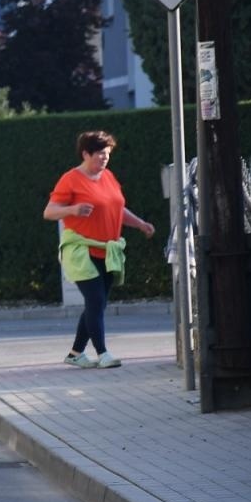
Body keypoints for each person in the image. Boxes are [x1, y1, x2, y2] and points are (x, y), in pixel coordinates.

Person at [42, 130, 155, 370]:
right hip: (81, 250)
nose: (105, 158)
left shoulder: (109, 176)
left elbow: (117, 209)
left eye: (108, 154)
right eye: (101, 154)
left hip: (108, 250)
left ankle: (75, 354)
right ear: (86, 154)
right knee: (95, 301)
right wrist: (72, 210)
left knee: (97, 304)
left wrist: (140, 224)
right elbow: (49, 212)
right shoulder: (71, 179)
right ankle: (103, 353)